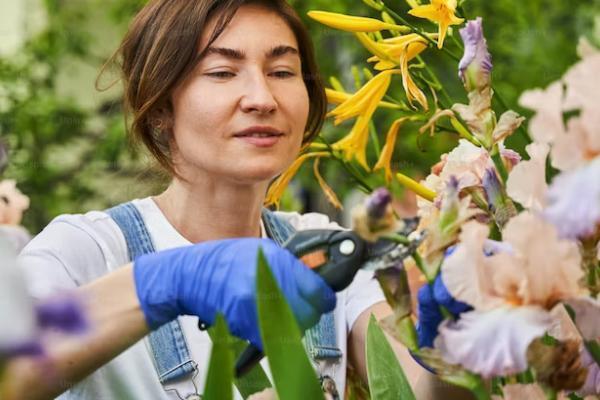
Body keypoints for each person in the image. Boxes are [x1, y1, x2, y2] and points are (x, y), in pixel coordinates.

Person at [2, 1, 472, 399]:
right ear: (162, 107)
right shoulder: (88, 249)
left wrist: (459, 336)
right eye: (223, 71)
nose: (261, 97)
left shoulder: (324, 252)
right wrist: (160, 283)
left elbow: (413, 387)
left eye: (282, 71)